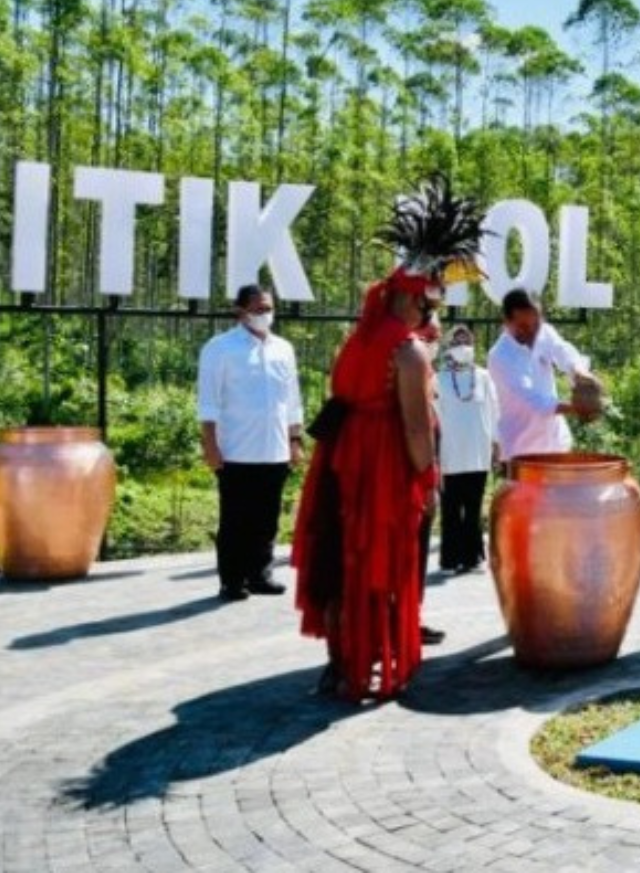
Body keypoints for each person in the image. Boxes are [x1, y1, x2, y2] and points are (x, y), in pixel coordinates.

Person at [291, 175, 478, 702]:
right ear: (417, 300)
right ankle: (365, 663)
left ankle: (338, 664)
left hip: (339, 461)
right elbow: (417, 427)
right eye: (431, 303)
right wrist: (428, 478)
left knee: (342, 563)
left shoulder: (356, 342)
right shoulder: (409, 351)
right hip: (382, 466)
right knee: (380, 563)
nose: (433, 314)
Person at [197, 283, 305, 602]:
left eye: (269, 308)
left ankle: (260, 574)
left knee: (267, 518)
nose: (265, 314)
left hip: (274, 449)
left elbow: (292, 399)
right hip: (235, 450)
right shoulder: (220, 348)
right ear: (240, 310)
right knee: (235, 519)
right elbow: (208, 402)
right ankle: (232, 581)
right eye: (258, 309)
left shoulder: (283, 348)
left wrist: (295, 440)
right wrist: (210, 445)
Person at [488, 288, 598, 460]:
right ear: (506, 322)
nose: (532, 333)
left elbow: (563, 351)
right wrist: (575, 408)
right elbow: (532, 400)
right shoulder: (500, 356)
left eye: (536, 325)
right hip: (520, 450)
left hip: (556, 444)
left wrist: (581, 374)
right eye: (523, 327)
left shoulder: (544, 332)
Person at [436, 324, 500, 575]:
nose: (462, 346)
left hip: (478, 453)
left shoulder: (483, 377)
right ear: (449, 348)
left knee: (473, 507)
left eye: (466, 341)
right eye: (457, 341)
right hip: (450, 454)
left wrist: (497, 446)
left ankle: (473, 557)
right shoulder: (438, 378)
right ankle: (450, 559)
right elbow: (434, 415)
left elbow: (495, 413)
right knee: (450, 507)